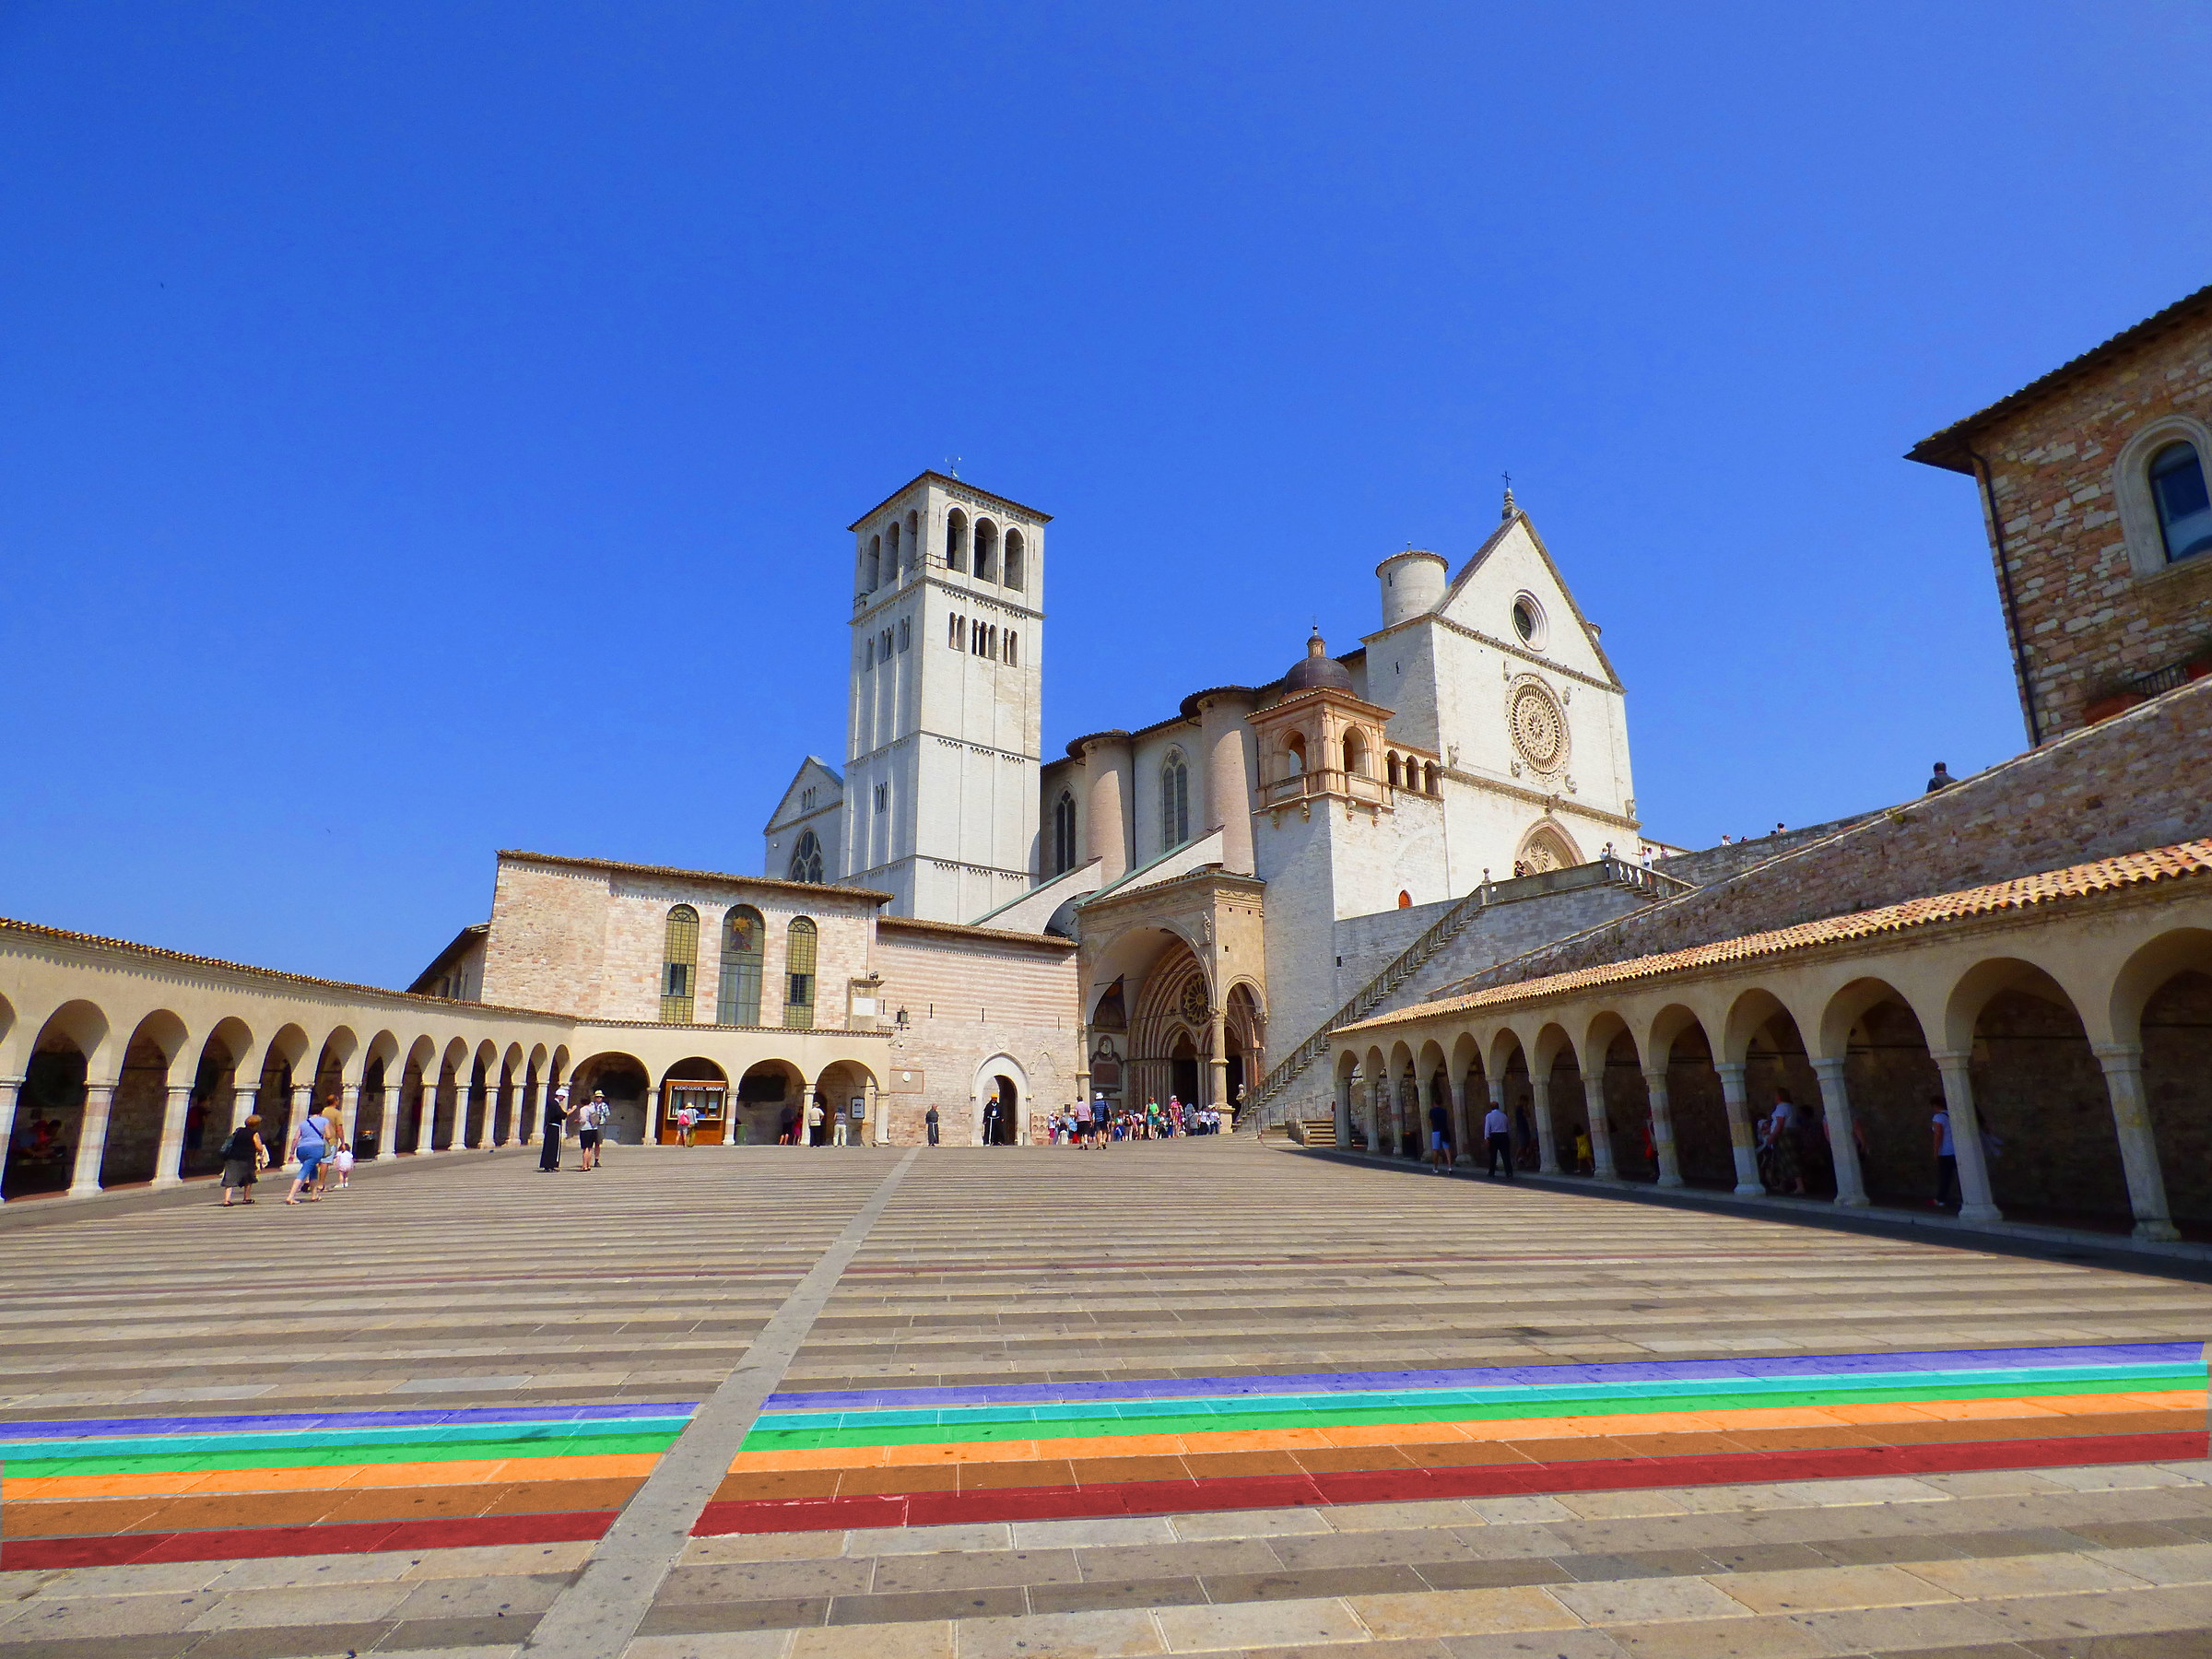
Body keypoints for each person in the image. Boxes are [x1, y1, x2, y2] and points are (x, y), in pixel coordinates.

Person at [285, 1096, 335, 1205]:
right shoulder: (324, 1120)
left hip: (301, 1149)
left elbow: (295, 1138)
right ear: (321, 1111)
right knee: (304, 1171)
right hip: (316, 1148)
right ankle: (291, 1195)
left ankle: (314, 1195)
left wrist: (291, 1152)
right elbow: (329, 1135)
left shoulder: (304, 1123)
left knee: (313, 1170)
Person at [219, 1114, 265, 1206]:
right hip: (247, 1158)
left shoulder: (238, 1131)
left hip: (232, 1157)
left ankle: (226, 1199)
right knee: (248, 1177)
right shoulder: (254, 1133)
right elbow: (259, 1147)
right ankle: (246, 1197)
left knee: (230, 1178)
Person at [1766, 1089, 1806, 1194]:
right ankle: (1783, 1185)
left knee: (1790, 1159)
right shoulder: (1791, 1107)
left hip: (1784, 1136)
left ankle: (1800, 1186)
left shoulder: (1782, 1107)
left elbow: (1780, 1123)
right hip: (1792, 1133)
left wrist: (1772, 1135)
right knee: (1783, 1160)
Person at [1931, 1093, 1957, 1208]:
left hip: (1945, 1151)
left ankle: (1940, 1199)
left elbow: (1938, 1135)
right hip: (1956, 1150)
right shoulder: (1952, 1115)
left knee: (1945, 1176)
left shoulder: (1938, 1118)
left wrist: (1936, 1151)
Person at [540, 1084, 568, 1171]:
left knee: (551, 1147)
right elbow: (561, 1115)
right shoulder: (554, 1104)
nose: (564, 1098)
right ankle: (550, 1165)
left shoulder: (553, 1103)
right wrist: (570, 1112)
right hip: (554, 1127)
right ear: (559, 1096)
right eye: (563, 1096)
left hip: (551, 1127)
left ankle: (549, 1165)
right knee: (553, 1147)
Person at [1484, 1100, 1512, 1181]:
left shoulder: (1489, 1116)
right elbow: (1508, 1128)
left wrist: (1487, 1138)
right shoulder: (1504, 1115)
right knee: (1506, 1155)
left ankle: (1491, 1172)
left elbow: (1487, 1128)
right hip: (1504, 1135)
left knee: (1493, 1155)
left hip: (1494, 1136)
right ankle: (1509, 1172)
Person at [579, 1090, 606, 1171]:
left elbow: (583, 1119)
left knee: (586, 1148)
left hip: (586, 1129)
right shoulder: (592, 1108)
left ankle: (584, 1165)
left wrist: (579, 1121)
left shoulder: (583, 1109)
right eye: (597, 1097)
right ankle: (588, 1165)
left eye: (600, 1097)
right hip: (594, 1128)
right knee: (590, 1147)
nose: (599, 1098)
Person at [1428, 1098, 1452, 1173]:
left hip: (1436, 1131)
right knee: (1447, 1149)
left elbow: (1430, 1122)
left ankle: (1435, 1168)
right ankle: (1450, 1167)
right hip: (1444, 1130)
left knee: (1436, 1150)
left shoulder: (1432, 1111)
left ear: (1434, 1103)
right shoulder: (1444, 1111)